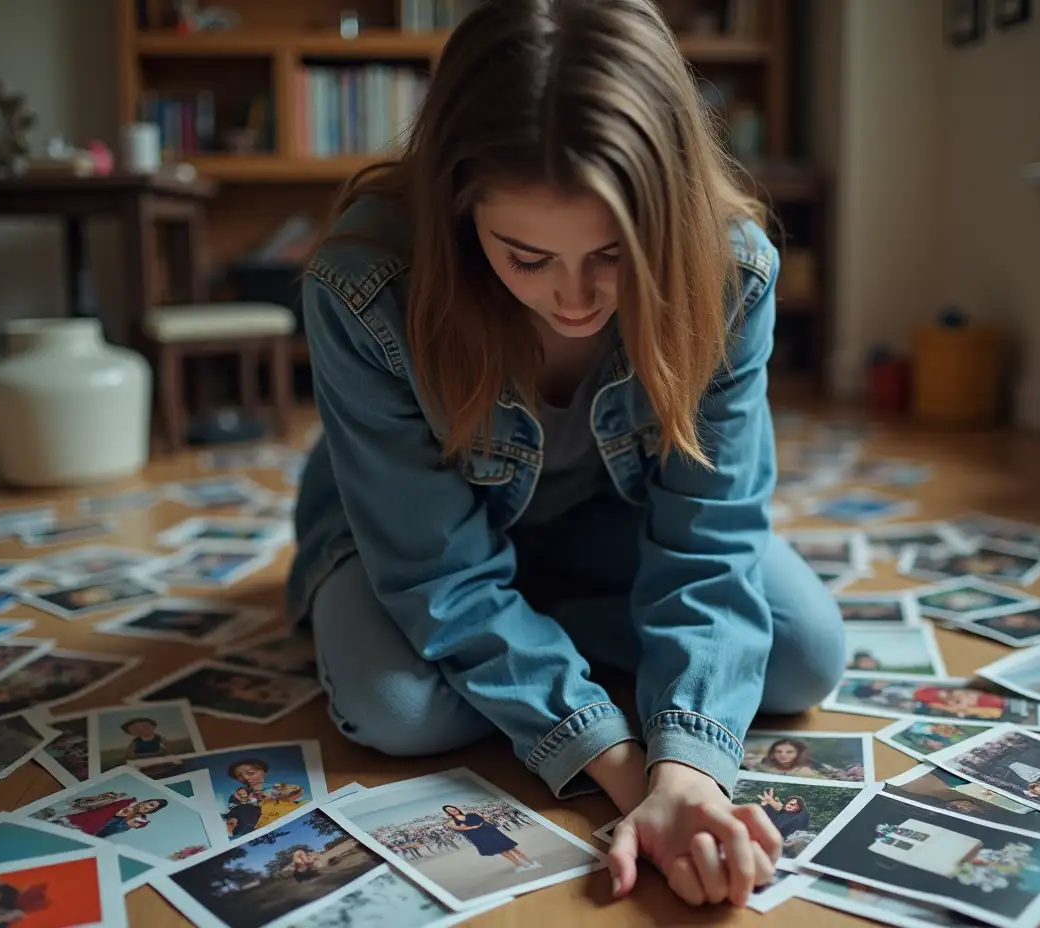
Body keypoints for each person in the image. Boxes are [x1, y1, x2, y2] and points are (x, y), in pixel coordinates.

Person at [287, 0, 845, 910]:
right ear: (463, 210)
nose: (575, 298)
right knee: (396, 709)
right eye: (526, 255)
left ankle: (538, 641)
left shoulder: (731, 269)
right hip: (419, 537)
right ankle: (560, 647)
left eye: (614, 253)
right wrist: (642, 776)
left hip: (608, 521)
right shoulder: (362, 282)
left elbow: (712, 532)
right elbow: (437, 575)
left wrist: (692, 772)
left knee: (806, 656)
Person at [441, 805, 536, 871]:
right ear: (448, 813)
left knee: (512, 847)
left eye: (452, 808)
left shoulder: (471, 814)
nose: (453, 810)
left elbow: (485, 819)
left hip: (490, 831)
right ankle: (519, 865)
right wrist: (472, 827)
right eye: (450, 810)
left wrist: (480, 817)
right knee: (502, 851)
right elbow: (460, 828)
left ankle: (530, 862)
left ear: (456, 808)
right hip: (479, 836)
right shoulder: (451, 822)